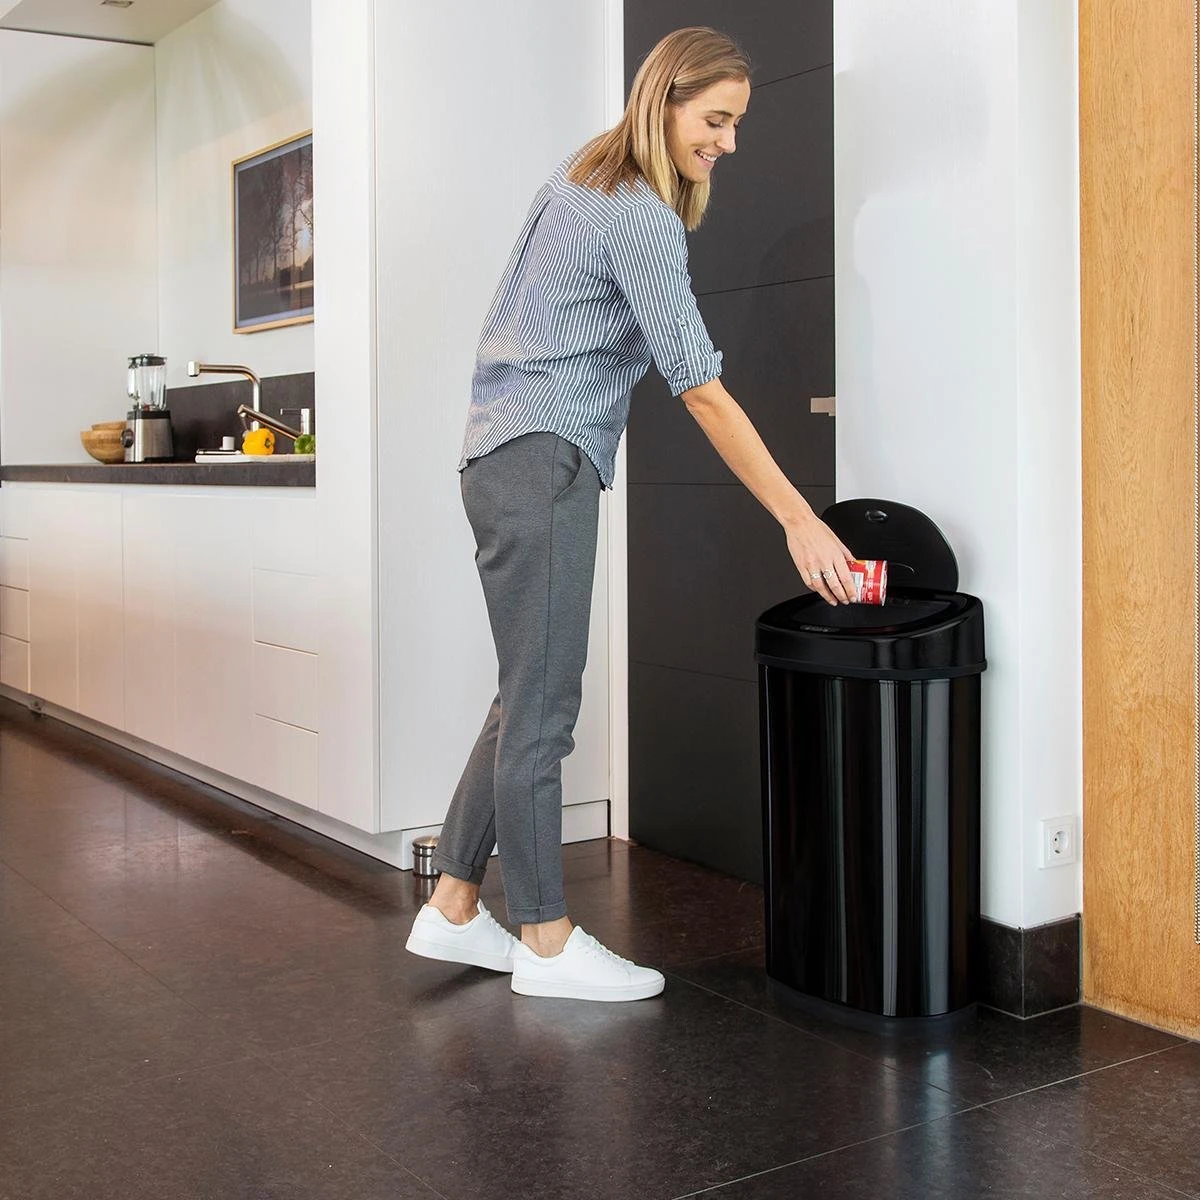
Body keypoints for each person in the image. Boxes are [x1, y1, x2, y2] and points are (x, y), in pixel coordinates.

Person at [405, 27, 855, 1002]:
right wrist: (798, 518)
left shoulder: (579, 177)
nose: (728, 143)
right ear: (666, 100)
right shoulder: (639, 216)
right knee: (543, 708)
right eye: (716, 120)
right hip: (544, 460)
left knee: (523, 696)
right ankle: (547, 940)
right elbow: (700, 388)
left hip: (501, 454)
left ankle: (453, 904)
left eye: (736, 124)